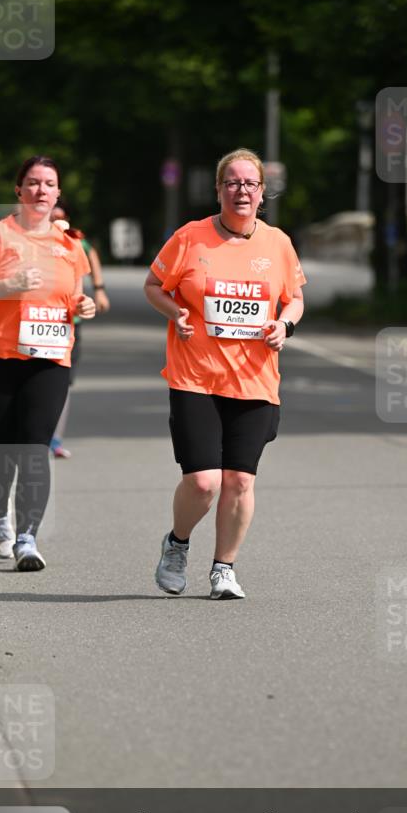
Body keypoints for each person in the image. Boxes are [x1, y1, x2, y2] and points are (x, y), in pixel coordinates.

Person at [144, 147, 305, 600]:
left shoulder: (278, 244)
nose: (241, 191)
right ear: (218, 191)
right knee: (203, 481)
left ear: (262, 193)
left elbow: (295, 297)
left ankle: (223, 568)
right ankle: (176, 544)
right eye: (232, 183)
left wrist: (284, 324)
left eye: (250, 184)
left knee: (240, 479)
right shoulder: (191, 238)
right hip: (196, 375)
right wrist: (176, 312)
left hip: (254, 379)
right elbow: (154, 286)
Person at [0, 156, 95, 571]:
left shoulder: (70, 244)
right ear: (18, 190)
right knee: (2, 450)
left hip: (51, 359)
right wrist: (9, 285)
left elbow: (72, 294)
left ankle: (27, 538)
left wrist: (83, 304)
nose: (40, 190)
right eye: (32, 183)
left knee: (35, 447)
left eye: (48, 184)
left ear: (57, 194)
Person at [48, 205, 110, 458]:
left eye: (61, 217)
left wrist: (99, 288)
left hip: (68, 324)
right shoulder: (27, 240)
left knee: (64, 381)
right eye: (52, 216)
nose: (56, 220)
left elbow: (92, 255)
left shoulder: (75, 240)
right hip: (36, 322)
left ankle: (54, 439)